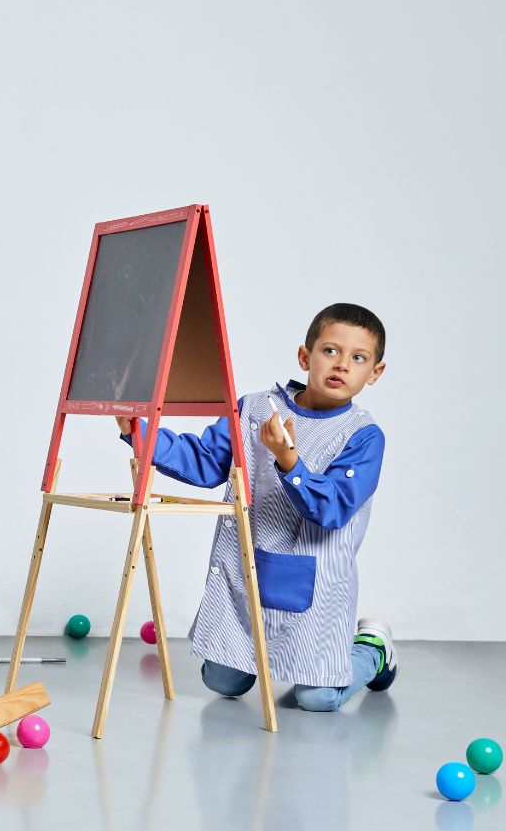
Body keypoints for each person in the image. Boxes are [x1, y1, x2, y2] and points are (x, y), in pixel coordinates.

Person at [118, 303, 395, 711]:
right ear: (306, 356)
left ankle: (372, 649)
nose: (341, 366)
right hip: (244, 572)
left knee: (317, 698)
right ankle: (250, 661)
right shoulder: (255, 409)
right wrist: (138, 431)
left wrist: (289, 462)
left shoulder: (364, 436)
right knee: (222, 681)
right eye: (330, 351)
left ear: (374, 373)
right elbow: (205, 461)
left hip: (315, 585)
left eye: (358, 358)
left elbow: (333, 508)